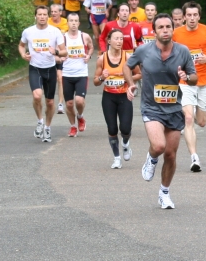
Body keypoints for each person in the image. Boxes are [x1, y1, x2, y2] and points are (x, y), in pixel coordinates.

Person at [128, 13, 197, 209]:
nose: (165, 30)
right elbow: (127, 66)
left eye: (168, 27)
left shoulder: (183, 51)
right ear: (154, 31)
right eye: (161, 27)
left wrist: (186, 76)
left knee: (171, 155)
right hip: (151, 107)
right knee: (158, 146)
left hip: (174, 108)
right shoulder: (144, 50)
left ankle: (164, 193)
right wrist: (131, 83)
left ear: (173, 29)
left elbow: (194, 78)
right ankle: (151, 158)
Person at [172, 1, 206, 172]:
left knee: (201, 122)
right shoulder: (176, 34)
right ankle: (194, 158)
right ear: (184, 17)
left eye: (195, 15)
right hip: (185, 82)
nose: (192, 18)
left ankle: (187, 111)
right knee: (188, 118)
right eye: (189, 15)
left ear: (199, 16)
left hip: (204, 81)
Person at [18, 6, 67, 143]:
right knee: (37, 95)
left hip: (50, 69)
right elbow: (21, 45)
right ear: (35, 16)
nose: (42, 17)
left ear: (48, 16)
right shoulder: (28, 31)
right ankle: (40, 120)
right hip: (35, 68)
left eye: (45, 14)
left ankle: (47, 127)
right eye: (39, 14)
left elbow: (65, 51)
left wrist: (56, 52)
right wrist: (23, 55)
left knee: (50, 102)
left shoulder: (55, 31)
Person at [94, 30, 139, 168]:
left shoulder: (128, 57)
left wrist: (127, 78)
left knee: (125, 128)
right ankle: (117, 158)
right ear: (109, 41)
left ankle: (125, 143)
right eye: (116, 39)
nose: (119, 41)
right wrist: (102, 77)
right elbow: (95, 81)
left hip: (124, 96)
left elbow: (139, 74)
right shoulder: (102, 59)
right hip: (109, 97)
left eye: (121, 39)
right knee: (112, 129)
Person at [59, 13, 92, 136]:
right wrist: (60, 58)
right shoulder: (62, 39)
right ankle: (73, 126)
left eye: (76, 21)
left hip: (81, 74)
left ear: (79, 23)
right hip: (67, 74)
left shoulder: (85, 36)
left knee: (79, 101)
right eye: (71, 21)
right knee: (69, 104)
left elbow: (91, 48)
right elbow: (57, 53)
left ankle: (80, 116)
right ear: (67, 23)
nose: (73, 23)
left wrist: (88, 56)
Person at [48, 4, 69, 114]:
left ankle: (60, 104)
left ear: (60, 12)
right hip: (49, 54)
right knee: (49, 79)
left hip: (61, 52)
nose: (53, 13)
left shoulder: (66, 22)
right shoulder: (47, 22)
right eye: (52, 11)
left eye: (55, 11)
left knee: (60, 78)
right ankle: (49, 101)